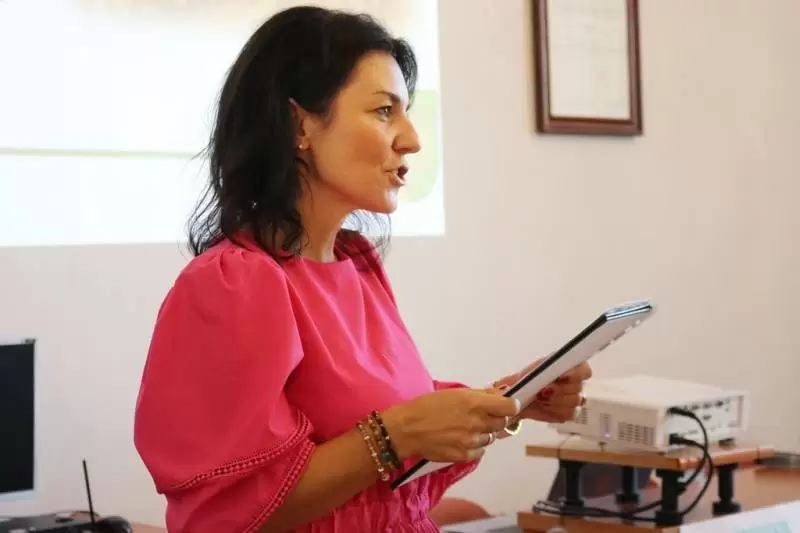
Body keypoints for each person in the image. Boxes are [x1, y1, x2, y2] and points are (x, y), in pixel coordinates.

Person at [132, 6, 592, 533]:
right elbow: (225, 514)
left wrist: (509, 399)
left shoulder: (356, 264)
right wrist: (397, 434)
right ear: (299, 124)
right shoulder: (233, 283)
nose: (412, 139)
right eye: (383, 111)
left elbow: (389, 436)